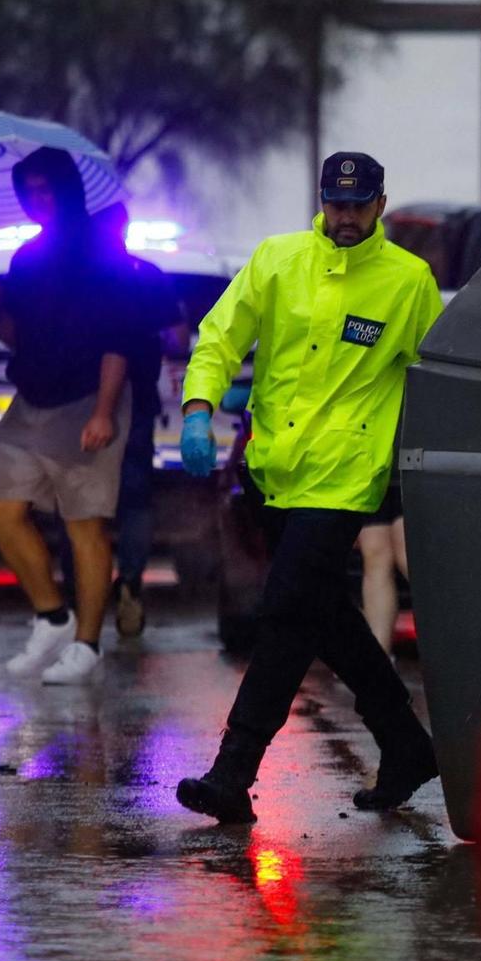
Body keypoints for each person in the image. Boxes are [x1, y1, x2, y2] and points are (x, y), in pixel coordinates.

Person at [174, 151, 443, 823]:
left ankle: (233, 772)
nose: (345, 216)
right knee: (324, 614)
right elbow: (218, 337)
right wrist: (198, 408)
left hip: (347, 480)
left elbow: (437, 379)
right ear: (321, 201)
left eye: (357, 204)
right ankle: (408, 744)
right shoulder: (277, 260)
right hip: (275, 475)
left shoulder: (409, 285)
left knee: (286, 614)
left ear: (381, 204)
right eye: (335, 203)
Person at [0, 147, 133, 685]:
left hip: (90, 397)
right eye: (30, 192)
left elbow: (119, 337)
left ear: (68, 189)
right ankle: (52, 616)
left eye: (47, 190)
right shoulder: (25, 257)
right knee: (0, 508)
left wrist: (105, 411)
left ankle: (87, 644)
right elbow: (19, 337)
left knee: (84, 521)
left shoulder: (101, 250)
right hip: (32, 399)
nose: (38, 200)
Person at [99, 203, 184, 638]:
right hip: (137, 404)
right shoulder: (146, 275)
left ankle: (86, 594)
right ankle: (129, 580)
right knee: (134, 501)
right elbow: (179, 335)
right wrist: (152, 339)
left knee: (84, 505)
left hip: (81, 403)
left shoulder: (83, 279)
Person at [356, 470, 408, 658]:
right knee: (374, 552)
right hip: (371, 465)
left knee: (407, 554)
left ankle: (456, 638)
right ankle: (379, 658)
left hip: (410, 461)